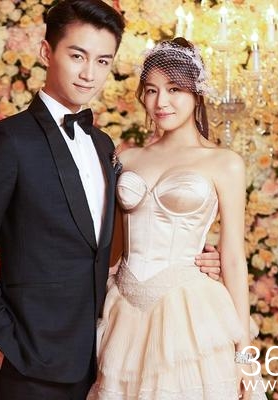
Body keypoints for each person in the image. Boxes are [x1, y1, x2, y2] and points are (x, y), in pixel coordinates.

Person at [0, 2, 222, 399]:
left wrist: (198, 256)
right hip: (27, 356)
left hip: (102, 352)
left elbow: (117, 240)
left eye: (102, 61)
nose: (88, 74)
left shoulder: (103, 145)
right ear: (47, 52)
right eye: (77, 56)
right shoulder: (11, 139)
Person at [88, 38, 267, 399]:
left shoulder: (224, 163)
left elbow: (233, 258)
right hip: (124, 307)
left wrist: (245, 355)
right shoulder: (127, 158)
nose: (161, 102)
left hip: (187, 308)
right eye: (151, 90)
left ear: (197, 93)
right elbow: (113, 247)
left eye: (174, 89)